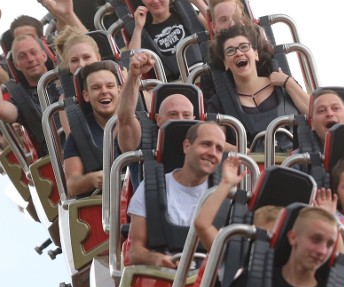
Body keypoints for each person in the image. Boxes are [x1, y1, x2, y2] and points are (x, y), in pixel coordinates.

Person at [127, 121, 240, 267]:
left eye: (219, 149)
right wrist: (157, 259)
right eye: (206, 144)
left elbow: (230, 256)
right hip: (160, 277)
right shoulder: (150, 189)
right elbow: (135, 252)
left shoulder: (227, 195)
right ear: (187, 146)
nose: (212, 153)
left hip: (206, 279)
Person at [207, 24, 309, 152]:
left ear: (255, 54)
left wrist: (288, 82)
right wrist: (242, 151)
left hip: (295, 161)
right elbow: (212, 140)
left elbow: (314, 113)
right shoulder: (219, 103)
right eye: (230, 51)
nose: (238, 53)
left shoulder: (286, 86)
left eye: (244, 47)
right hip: (250, 166)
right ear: (226, 63)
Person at [116, 52, 195, 153]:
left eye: (186, 115)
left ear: (194, 120)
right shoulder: (144, 141)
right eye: (173, 114)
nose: (180, 120)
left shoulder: (205, 143)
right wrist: (134, 75)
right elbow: (125, 118)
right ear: (158, 119)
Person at [62, 61, 121, 197]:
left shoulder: (139, 121)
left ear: (119, 90)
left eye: (110, 86)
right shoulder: (78, 135)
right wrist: (92, 179)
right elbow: (72, 185)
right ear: (86, 95)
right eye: (96, 88)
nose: (104, 91)